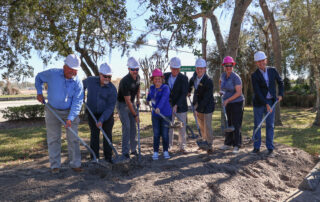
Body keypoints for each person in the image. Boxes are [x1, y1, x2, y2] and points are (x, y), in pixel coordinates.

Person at [35, 54, 84, 173]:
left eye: (75, 70)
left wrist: (71, 118)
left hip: (70, 111)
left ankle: (75, 164)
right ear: (64, 67)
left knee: (73, 139)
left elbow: (78, 101)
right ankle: (55, 166)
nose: (73, 72)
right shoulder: (52, 73)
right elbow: (38, 77)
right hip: (52, 110)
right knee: (53, 139)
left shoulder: (78, 82)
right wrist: (39, 92)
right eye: (70, 69)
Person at [83, 63, 117, 163]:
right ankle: (94, 157)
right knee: (94, 135)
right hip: (92, 112)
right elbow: (80, 85)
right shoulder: (90, 81)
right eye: (105, 76)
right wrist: (80, 94)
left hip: (106, 115)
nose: (107, 78)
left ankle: (108, 157)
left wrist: (102, 119)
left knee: (107, 135)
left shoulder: (112, 89)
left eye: (109, 77)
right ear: (100, 74)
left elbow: (110, 107)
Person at [251, 51, 284, 156]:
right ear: (256, 63)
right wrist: (266, 104)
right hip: (259, 103)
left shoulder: (272, 70)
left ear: (266, 60)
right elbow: (257, 91)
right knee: (258, 124)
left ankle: (270, 148)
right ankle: (256, 147)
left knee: (270, 124)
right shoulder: (254, 75)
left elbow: (280, 82)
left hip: (271, 101)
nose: (261, 63)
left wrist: (281, 94)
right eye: (259, 62)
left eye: (262, 61)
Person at [188, 58, 215, 153]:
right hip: (198, 104)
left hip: (208, 105)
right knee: (201, 125)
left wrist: (198, 109)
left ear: (205, 69)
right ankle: (204, 142)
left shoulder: (208, 81)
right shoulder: (195, 76)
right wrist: (188, 91)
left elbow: (206, 98)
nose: (199, 70)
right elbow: (190, 83)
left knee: (207, 125)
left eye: (201, 68)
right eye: (197, 68)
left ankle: (210, 144)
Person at [219, 56, 244, 154]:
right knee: (228, 123)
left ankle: (237, 145)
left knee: (236, 124)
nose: (228, 67)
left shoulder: (236, 77)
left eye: (230, 65)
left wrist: (228, 99)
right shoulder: (222, 76)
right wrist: (221, 92)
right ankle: (228, 143)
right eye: (226, 65)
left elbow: (238, 92)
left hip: (237, 102)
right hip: (227, 103)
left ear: (233, 65)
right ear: (224, 66)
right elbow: (221, 85)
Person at [117, 57, 141, 159]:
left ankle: (133, 150)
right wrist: (135, 115)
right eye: (133, 69)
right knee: (127, 126)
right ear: (128, 69)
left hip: (131, 102)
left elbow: (138, 87)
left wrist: (138, 99)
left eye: (137, 69)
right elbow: (127, 101)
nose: (135, 71)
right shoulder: (125, 81)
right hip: (122, 104)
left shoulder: (138, 77)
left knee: (133, 127)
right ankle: (125, 152)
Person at [164, 57, 189, 153]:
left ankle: (182, 146)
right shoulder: (165, 77)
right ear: (170, 67)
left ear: (180, 68)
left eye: (177, 69)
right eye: (173, 68)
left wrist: (176, 105)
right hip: (168, 106)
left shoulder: (184, 78)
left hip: (181, 106)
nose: (175, 70)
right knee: (169, 127)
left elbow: (184, 93)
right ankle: (169, 146)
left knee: (182, 127)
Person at [146, 68, 172, 160]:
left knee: (165, 134)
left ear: (162, 79)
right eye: (155, 79)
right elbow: (149, 96)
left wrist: (158, 107)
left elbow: (164, 99)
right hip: (155, 116)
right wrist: (147, 100)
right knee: (156, 134)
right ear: (153, 79)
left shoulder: (165, 88)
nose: (157, 80)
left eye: (159, 78)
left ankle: (165, 151)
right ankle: (156, 152)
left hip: (165, 115)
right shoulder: (152, 88)